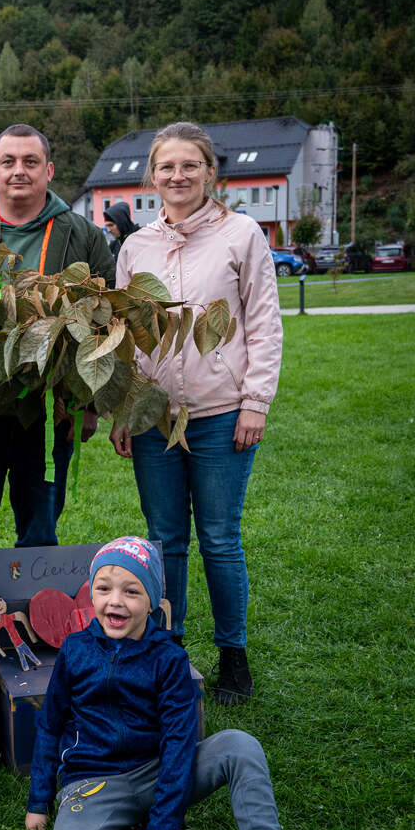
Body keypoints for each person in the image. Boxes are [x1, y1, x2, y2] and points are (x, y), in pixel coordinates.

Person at [24, 538, 351, 830]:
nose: (115, 601)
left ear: (153, 601)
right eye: (104, 588)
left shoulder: (169, 659)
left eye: (132, 592)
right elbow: (51, 724)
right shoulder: (75, 650)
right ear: (91, 594)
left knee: (239, 745)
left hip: (157, 771)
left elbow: (179, 743)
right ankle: (125, 829)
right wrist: (38, 801)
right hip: (92, 782)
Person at [108, 122, 283, 706]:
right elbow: (126, 338)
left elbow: (263, 324)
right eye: (167, 167)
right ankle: (170, 650)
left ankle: (233, 654)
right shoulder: (136, 247)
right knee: (165, 540)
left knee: (220, 538)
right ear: (152, 176)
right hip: (155, 418)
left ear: (210, 171)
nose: (178, 176)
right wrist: (125, 409)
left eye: (189, 165)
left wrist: (254, 402)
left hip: (220, 413)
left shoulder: (241, 234)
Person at [0, 124, 116, 549]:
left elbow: (107, 321)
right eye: (8, 161)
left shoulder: (81, 235)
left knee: (40, 531)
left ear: (48, 170)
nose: (19, 171)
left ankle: (33, 593)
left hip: (50, 410)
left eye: (31, 162)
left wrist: (89, 405)